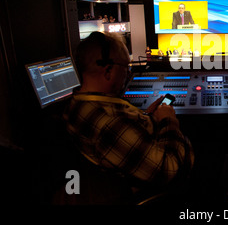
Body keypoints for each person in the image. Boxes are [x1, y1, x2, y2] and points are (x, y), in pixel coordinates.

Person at [62, 31, 194, 202]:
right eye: (126, 67)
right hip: (172, 180)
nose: (128, 73)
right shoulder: (108, 123)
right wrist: (168, 121)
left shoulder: (78, 104)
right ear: (108, 70)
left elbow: (128, 133)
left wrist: (148, 116)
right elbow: (169, 170)